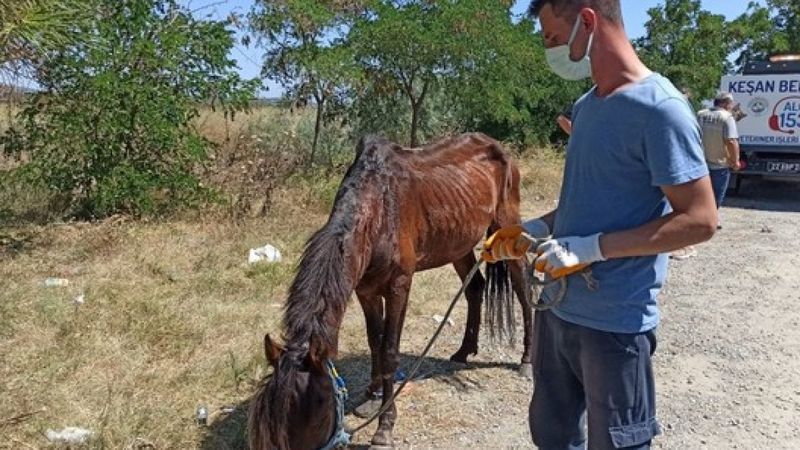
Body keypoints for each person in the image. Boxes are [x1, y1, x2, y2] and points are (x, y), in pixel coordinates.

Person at [481, 1, 718, 449]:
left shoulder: (660, 109)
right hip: (555, 309)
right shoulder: (587, 107)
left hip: (614, 324)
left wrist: (593, 249)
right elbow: (587, 205)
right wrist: (533, 228)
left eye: (552, 38)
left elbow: (701, 221)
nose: (549, 50)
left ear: (588, 22)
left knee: (617, 443)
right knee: (553, 436)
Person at [697, 91, 742, 228]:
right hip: (719, 164)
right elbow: (731, 141)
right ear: (724, 103)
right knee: (716, 194)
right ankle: (711, 220)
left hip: (700, 162)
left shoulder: (701, 114)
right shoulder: (726, 117)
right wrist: (735, 162)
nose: (731, 106)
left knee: (701, 193)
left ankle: (699, 218)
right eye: (730, 103)